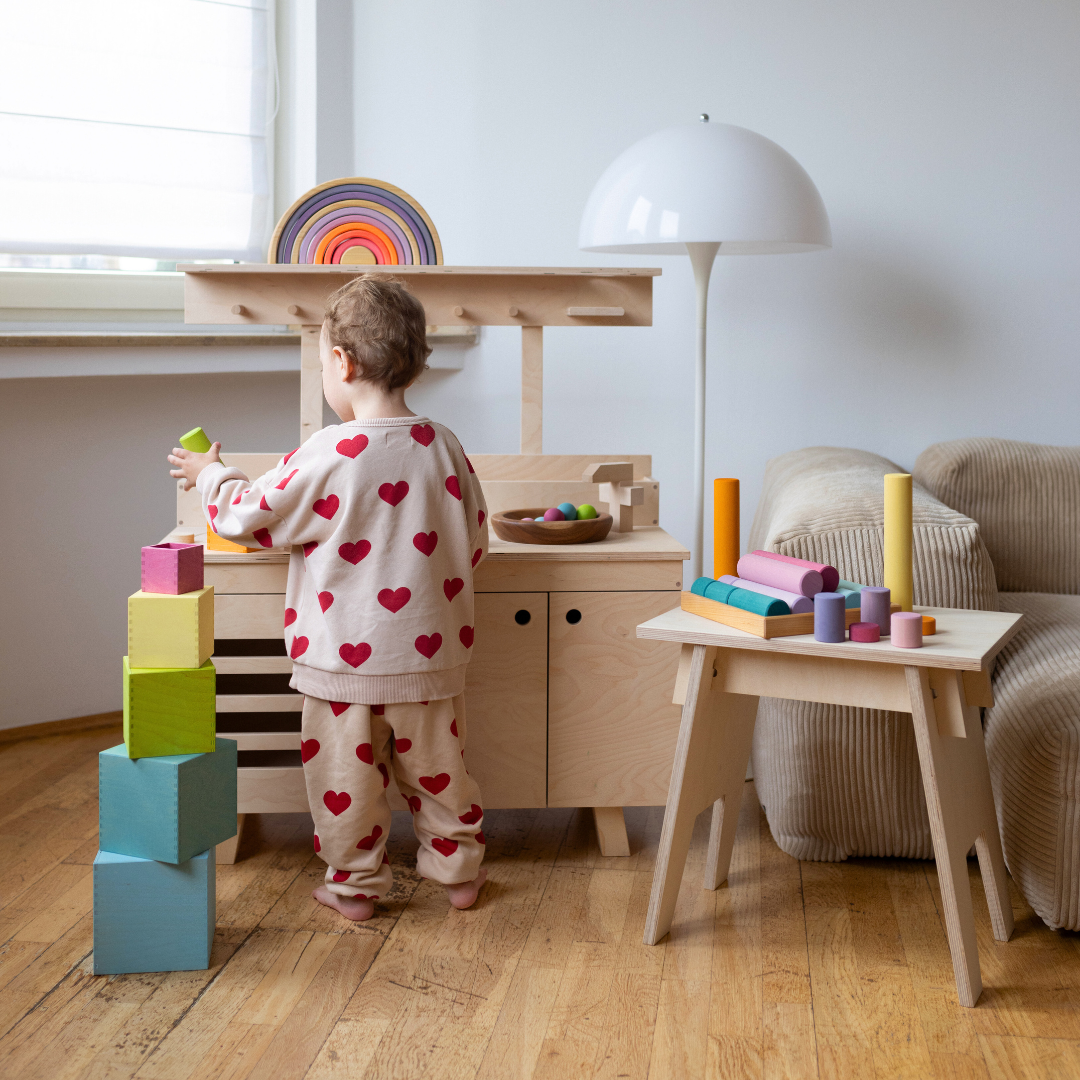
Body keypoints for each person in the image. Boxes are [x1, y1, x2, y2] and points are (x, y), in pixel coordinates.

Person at [168, 274, 489, 921]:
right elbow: (475, 538)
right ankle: (458, 875)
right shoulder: (444, 445)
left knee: (345, 787)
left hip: (341, 667)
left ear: (340, 363)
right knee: (440, 773)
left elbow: (248, 516)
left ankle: (355, 886)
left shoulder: (328, 451)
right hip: (428, 664)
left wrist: (211, 476)